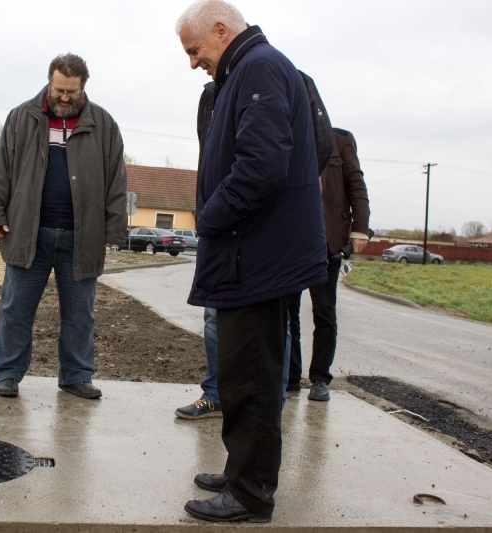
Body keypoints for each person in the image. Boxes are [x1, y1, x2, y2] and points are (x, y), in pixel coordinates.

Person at [175, 0, 328, 523]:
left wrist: (209, 217)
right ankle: (243, 468)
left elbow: (261, 165)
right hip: (254, 252)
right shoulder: (248, 71)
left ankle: (249, 492)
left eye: (195, 50)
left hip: (257, 254)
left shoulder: (259, 67)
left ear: (221, 30)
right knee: (244, 372)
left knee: (252, 378)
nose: (193, 62)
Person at [176, 69, 333, 420]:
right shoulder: (212, 93)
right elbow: (210, 152)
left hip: (268, 225)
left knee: (277, 320)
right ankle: (215, 394)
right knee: (215, 312)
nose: (195, 62)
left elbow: (318, 146)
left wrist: (278, 193)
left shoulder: (291, 81)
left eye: (196, 50)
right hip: (224, 218)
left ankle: (269, 403)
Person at [0, 53, 127, 401]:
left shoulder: (103, 125)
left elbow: (116, 182)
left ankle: (76, 376)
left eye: (71, 92)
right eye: (59, 89)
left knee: (81, 315)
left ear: (83, 88)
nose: (64, 97)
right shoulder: (22, 118)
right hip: (27, 235)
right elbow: (0, 168)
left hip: (82, 239)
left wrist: (113, 230)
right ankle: (8, 375)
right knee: (15, 310)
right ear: (50, 82)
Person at [287, 128, 370, 401]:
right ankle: (290, 376)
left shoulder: (340, 141)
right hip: (292, 240)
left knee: (324, 313)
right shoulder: (289, 135)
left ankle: (320, 378)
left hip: (328, 241)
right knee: (287, 313)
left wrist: (360, 229)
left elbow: (356, 185)